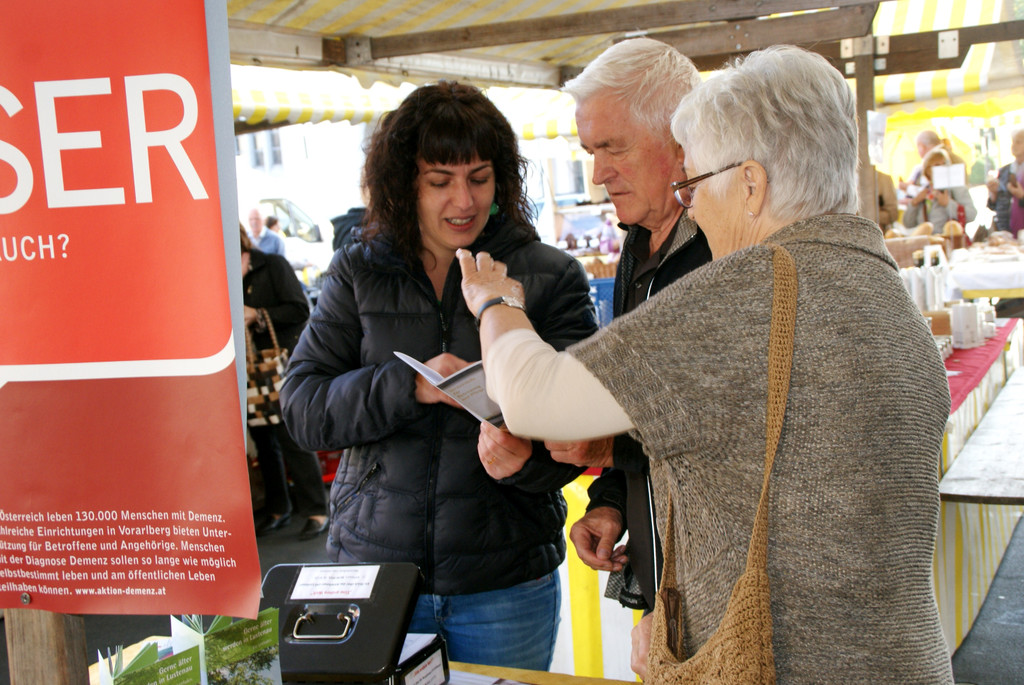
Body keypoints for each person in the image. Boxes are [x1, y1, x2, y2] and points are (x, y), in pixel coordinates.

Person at [456, 46, 953, 683]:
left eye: (695, 184)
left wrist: (496, 303)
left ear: (751, 184)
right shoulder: (880, 280)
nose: (690, 205)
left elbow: (528, 394)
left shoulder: (750, 290)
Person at [279, 81, 598, 670]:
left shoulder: (551, 275)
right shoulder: (359, 270)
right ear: (406, 184)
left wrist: (528, 461)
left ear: (502, 178)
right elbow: (301, 407)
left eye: (479, 177)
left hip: (503, 581)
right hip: (375, 575)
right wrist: (410, 386)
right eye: (439, 181)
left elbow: (585, 434)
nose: (464, 201)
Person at [556, 36, 712, 614]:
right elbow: (637, 401)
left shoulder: (726, 248)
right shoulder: (638, 245)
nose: (598, 173)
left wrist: (607, 439)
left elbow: (725, 434)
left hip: (721, 587)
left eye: (612, 148)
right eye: (590, 150)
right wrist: (611, 502)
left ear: (677, 142)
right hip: (664, 574)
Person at [240, 228, 329, 541]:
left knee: (289, 435)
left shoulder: (272, 264)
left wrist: (257, 314)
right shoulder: (219, 273)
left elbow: (299, 309)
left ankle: (317, 509)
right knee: (262, 439)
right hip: (248, 368)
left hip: (280, 364)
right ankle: (279, 508)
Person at [903, 147, 977, 234]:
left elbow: (972, 215)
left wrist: (948, 204)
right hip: (928, 244)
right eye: (937, 165)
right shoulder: (924, 192)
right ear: (928, 170)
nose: (942, 168)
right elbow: (908, 224)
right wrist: (914, 203)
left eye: (945, 164)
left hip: (951, 243)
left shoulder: (957, 188)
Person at [986, 126, 1024, 238]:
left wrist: (1021, 196)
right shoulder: (1004, 171)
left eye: (1018, 142)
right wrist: (993, 193)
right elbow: (994, 205)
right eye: (1013, 142)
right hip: (1004, 231)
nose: (1014, 146)